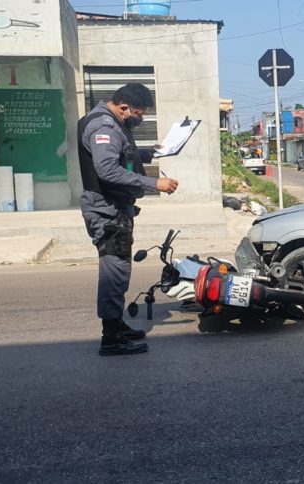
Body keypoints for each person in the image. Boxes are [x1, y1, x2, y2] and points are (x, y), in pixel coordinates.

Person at [79, 83, 178, 356]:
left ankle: (117, 326)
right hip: (107, 212)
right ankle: (111, 339)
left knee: (119, 271)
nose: (140, 119)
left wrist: (148, 153)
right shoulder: (104, 126)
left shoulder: (110, 122)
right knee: (113, 274)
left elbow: (121, 154)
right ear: (123, 107)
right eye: (138, 113)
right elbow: (107, 170)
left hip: (114, 209)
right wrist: (154, 183)